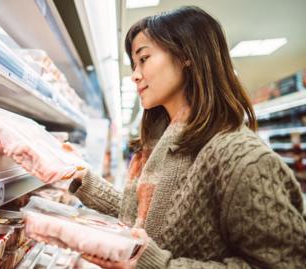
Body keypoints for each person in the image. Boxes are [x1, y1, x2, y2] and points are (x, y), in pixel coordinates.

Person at [64, 6, 306, 268]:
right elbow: (146, 214)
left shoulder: (243, 159)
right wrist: (83, 180)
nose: (135, 75)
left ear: (186, 56)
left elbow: (286, 263)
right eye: (134, 64)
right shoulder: (164, 145)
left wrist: (155, 265)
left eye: (143, 59)